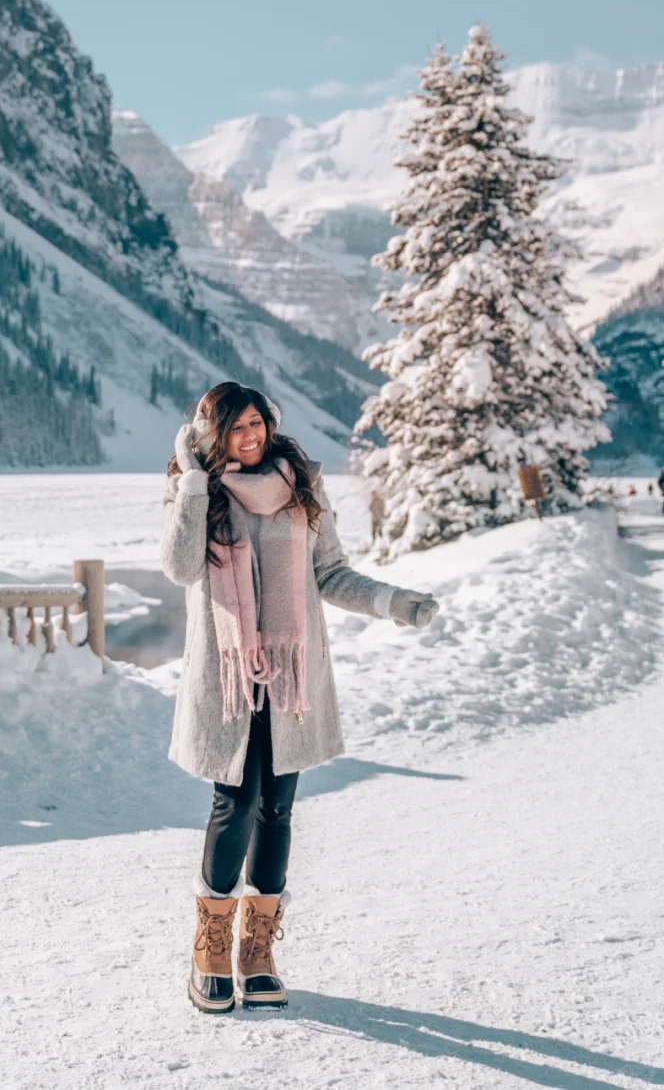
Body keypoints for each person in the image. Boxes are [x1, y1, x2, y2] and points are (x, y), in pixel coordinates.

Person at [163, 382, 439, 1015]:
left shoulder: (301, 489)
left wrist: (394, 603)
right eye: (235, 427)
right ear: (212, 436)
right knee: (234, 801)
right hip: (229, 682)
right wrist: (193, 485)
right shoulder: (195, 496)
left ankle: (256, 951)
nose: (250, 435)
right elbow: (180, 568)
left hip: (291, 679)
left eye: (257, 422)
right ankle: (210, 949)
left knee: (278, 810)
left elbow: (330, 573)